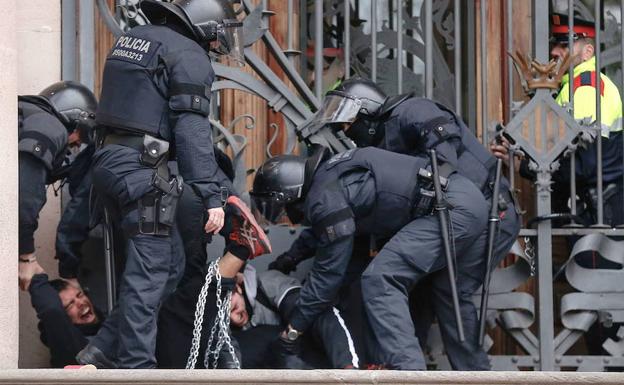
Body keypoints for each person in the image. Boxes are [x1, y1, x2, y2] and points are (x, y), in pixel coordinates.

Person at [76, 0, 271, 369]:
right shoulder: (188, 53)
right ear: (205, 28)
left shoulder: (134, 39)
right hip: (143, 171)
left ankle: (101, 348)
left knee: (170, 265)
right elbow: (192, 131)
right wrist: (213, 196)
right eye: (218, 35)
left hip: (109, 164)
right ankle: (136, 368)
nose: (217, 44)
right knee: (149, 273)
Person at [281, 77, 522, 369]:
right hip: (453, 211)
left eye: (348, 124)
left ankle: (469, 375)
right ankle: (404, 364)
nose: (348, 134)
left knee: (449, 290)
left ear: (367, 112)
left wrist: (427, 189)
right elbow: (341, 222)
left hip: (489, 210)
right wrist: (294, 255)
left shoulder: (411, 111)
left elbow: (443, 163)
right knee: (412, 284)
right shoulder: (377, 149)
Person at [251, 146, 489, 370]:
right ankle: (473, 374)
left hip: (451, 209)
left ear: (288, 194)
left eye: (279, 206)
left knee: (380, 279)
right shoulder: (329, 180)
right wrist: (291, 258)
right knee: (427, 291)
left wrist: (293, 330)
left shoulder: (324, 198)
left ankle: (409, 375)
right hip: (461, 201)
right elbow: (327, 231)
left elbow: (327, 277)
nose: (284, 215)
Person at [491, 12, 623, 356]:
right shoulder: (568, 90)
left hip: (600, 211)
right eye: (554, 44)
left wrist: (529, 168)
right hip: (591, 209)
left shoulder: (587, 86)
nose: (555, 52)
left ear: (587, 51)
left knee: (602, 310)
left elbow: (582, 162)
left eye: (565, 44)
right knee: (594, 306)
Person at [18, 81, 98, 292]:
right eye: (78, 139)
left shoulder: (28, 118)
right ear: (73, 120)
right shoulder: (49, 126)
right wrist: (27, 256)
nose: (74, 147)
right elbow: (24, 195)